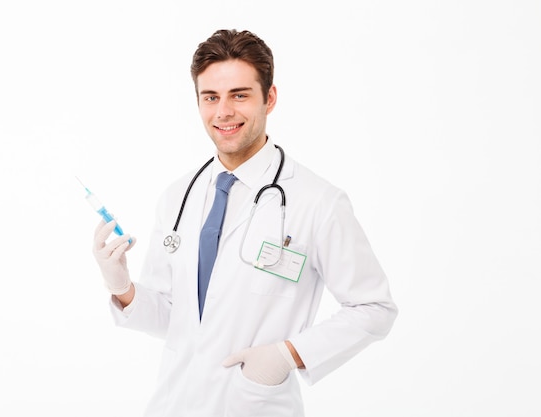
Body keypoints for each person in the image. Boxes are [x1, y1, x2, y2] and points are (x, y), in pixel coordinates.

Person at [92, 28, 398, 417]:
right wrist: (123, 289)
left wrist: (287, 356)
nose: (224, 112)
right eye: (211, 97)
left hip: (255, 405)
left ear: (269, 98)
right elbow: (174, 318)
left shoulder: (317, 201)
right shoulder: (177, 197)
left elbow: (374, 307)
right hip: (175, 404)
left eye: (239, 95)